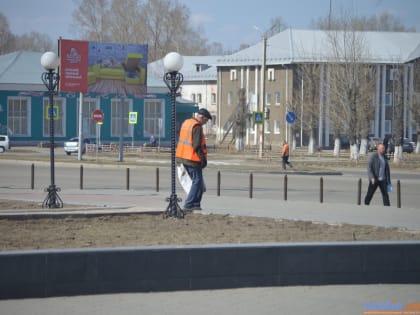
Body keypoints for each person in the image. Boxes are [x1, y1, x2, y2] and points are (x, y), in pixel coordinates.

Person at [176, 108, 212, 211]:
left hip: (183, 156)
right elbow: (196, 145)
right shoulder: (196, 126)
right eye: (205, 120)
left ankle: (196, 204)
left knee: (198, 182)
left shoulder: (187, 122)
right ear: (201, 117)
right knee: (197, 181)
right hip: (192, 158)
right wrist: (203, 159)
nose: (205, 123)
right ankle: (189, 204)